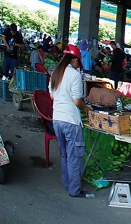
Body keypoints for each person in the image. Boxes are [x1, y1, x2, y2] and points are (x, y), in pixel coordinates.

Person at [50, 44, 95, 199]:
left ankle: (67, 184)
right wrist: (86, 108)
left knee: (65, 154)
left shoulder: (56, 72)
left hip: (57, 119)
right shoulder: (74, 75)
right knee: (74, 156)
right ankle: (74, 190)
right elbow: (77, 101)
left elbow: (52, 96)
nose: (78, 65)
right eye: (78, 62)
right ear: (74, 59)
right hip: (70, 120)